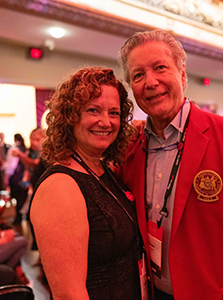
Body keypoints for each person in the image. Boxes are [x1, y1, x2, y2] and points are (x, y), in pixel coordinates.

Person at [117, 29, 223, 299]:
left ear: (182, 74)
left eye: (160, 67)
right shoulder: (130, 147)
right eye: (138, 75)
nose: (150, 82)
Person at [30, 67, 143, 300]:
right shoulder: (60, 186)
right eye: (93, 110)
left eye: (114, 113)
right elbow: (69, 295)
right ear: (70, 116)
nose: (106, 122)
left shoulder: (100, 169)